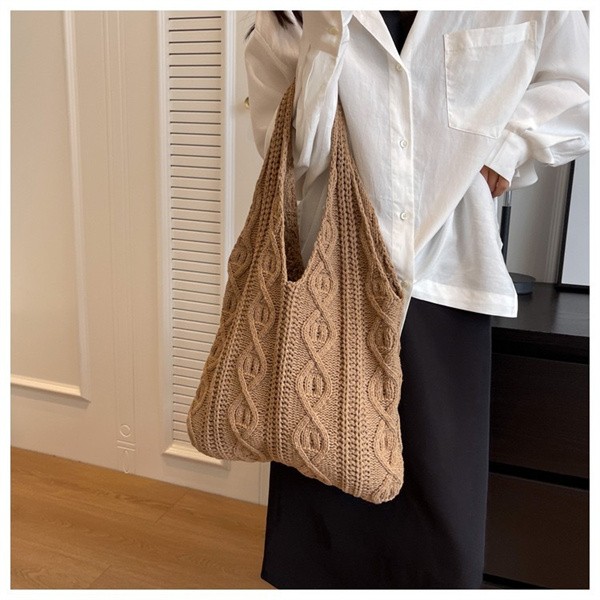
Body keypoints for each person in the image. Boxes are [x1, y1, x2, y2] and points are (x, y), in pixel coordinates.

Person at [243, 10, 589, 589]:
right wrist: (326, 33)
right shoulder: (288, 15)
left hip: (446, 283)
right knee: (321, 521)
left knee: (440, 536)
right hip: (330, 291)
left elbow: (578, 85)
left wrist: (506, 149)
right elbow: (293, 155)